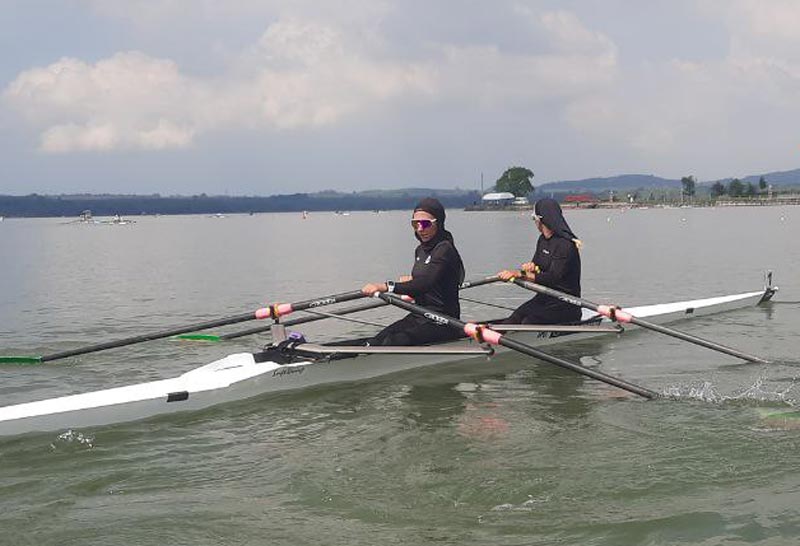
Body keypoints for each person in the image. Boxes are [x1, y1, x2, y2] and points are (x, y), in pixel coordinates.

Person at [361, 197, 465, 345]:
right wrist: (411, 282)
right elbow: (422, 283)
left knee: (393, 342)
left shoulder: (445, 249)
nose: (420, 229)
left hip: (443, 321)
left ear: (439, 223)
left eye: (425, 224)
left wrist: (387, 286)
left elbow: (425, 284)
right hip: (420, 315)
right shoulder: (420, 250)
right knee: (376, 340)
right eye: (415, 224)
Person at [497, 198, 582, 324]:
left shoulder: (565, 245)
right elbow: (537, 267)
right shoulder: (542, 240)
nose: (534, 222)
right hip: (545, 298)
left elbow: (553, 278)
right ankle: (489, 340)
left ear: (541, 219)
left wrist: (520, 274)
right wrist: (530, 266)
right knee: (515, 317)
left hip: (566, 304)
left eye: (534, 218)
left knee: (528, 322)